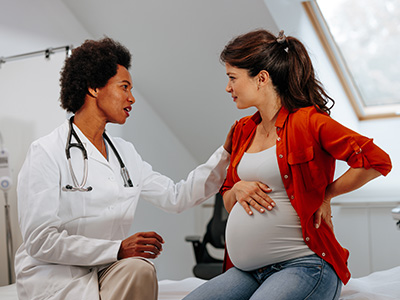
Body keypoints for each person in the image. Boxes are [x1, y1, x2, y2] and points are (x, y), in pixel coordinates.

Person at [14, 37, 234, 300]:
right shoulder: (47, 152)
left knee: (160, 276)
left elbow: (176, 196)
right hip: (56, 277)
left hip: (107, 270)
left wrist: (225, 154)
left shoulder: (124, 153)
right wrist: (118, 249)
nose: (132, 98)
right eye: (124, 87)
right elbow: (40, 241)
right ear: (94, 88)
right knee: (137, 269)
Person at [183, 29, 392, 300]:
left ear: (261, 79)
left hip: (305, 265)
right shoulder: (242, 130)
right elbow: (227, 195)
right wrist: (237, 191)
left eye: (232, 78)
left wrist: (326, 193)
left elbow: (376, 160)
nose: (228, 87)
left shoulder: (309, 122)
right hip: (247, 272)